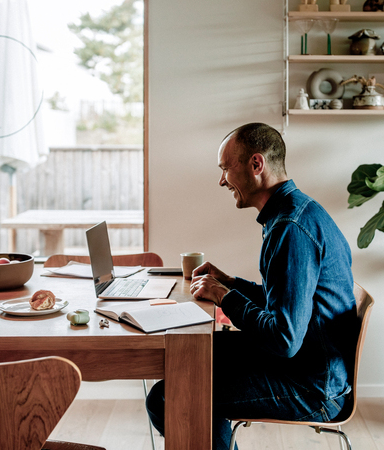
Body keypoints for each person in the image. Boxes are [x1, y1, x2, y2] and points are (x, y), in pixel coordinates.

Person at [145, 123, 358, 449]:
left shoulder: (290, 228)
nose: (221, 180)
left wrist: (224, 296)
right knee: (196, 359)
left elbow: (284, 338)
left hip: (313, 386)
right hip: (306, 365)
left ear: (256, 165)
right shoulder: (293, 213)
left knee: (170, 396)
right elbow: (286, 303)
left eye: (225, 169)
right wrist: (231, 283)